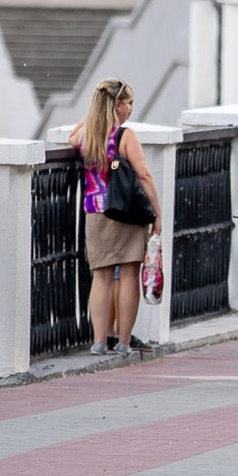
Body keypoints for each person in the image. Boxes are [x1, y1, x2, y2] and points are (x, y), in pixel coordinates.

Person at [70, 79, 158, 357]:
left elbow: (72, 134)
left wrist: (95, 112)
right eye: (129, 102)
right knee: (130, 272)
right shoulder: (125, 136)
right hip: (126, 212)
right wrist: (157, 212)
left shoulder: (87, 137)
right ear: (117, 105)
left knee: (101, 276)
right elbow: (143, 174)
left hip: (95, 212)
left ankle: (98, 341)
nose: (131, 108)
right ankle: (122, 342)